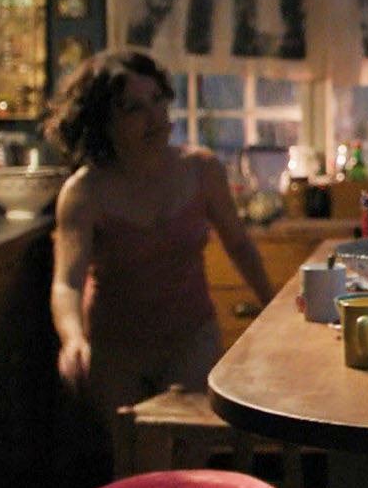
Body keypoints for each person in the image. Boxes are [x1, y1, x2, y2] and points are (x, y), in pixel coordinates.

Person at [45, 49, 276, 454]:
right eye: (133, 108)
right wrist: (73, 338)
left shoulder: (200, 169)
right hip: (117, 350)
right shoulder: (84, 193)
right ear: (103, 122)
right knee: (139, 462)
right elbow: (67, 282)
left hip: (191, 337)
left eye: (157, 101)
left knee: (192, 457)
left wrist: (272, 308)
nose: (154, 118)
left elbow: (239, 245)